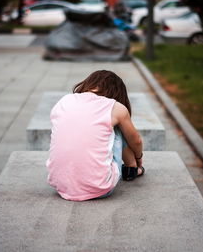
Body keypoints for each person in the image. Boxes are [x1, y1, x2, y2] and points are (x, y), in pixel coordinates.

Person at [46, 70, 145, 201]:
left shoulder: (65, 100)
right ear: (118, 92)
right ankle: (131, 168)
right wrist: (138, 157)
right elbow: (136, 141)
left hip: (60, 185)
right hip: (100, 188)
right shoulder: (115, 107)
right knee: (117, 127)